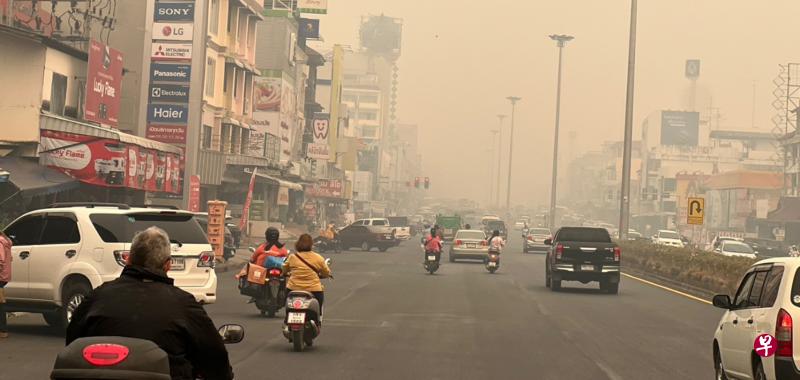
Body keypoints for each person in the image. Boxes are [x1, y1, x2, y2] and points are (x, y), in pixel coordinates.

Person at [66, 227, 233, 380]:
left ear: (128, 260)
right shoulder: (184, 305)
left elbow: (72, 344)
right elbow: (216, 358)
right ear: (168, 265)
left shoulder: (97, 296)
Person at [282, 234, 332, 324]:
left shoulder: (292, 257)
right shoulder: (318, 257)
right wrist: (325, 275)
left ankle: (287, 318)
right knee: (319, 302)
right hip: (313, 289)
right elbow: (326, 272)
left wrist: (286, 273)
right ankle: (318, 320)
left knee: (287, 302)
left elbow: (284, 269)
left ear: (298, 244)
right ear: (311, 245)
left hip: (293, 288)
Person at [0, 231, 12, 338]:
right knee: (1, 302)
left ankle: (3, 331)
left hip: (0, 276)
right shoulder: (6, 242)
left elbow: (1, 260)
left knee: (1, 303)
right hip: (5, 276)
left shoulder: (0, 243)